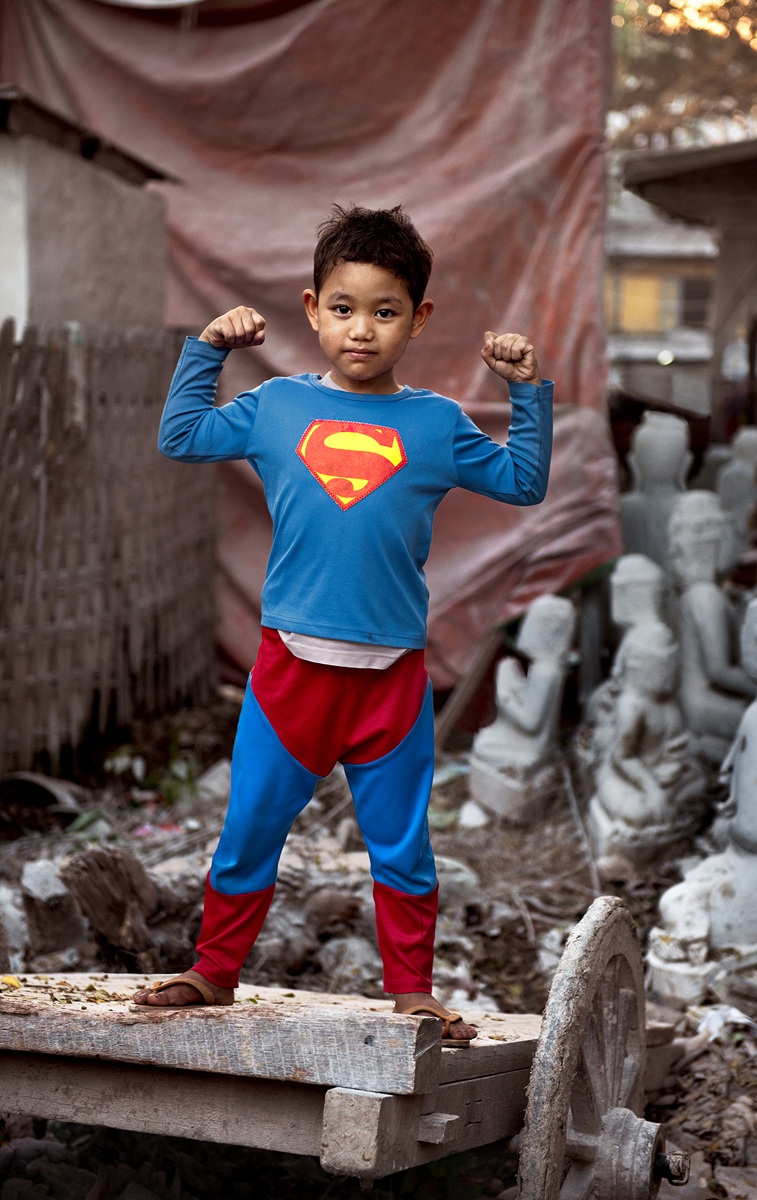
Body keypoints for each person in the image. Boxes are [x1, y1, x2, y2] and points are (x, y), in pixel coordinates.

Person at [132, 205, 553, 1043]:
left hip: (391, 681)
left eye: (386, 311)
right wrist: (209, 349)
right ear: (313, 308)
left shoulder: (435, 425)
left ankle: (412, 991)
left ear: (418, 319)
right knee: (250, 826)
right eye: (345, 308)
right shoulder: (276, 407)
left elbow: (522, 483)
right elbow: (180, 436)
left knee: (402, 847)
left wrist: (527, 391)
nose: (363, 330)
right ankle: (215, 973)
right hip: (291, 671)